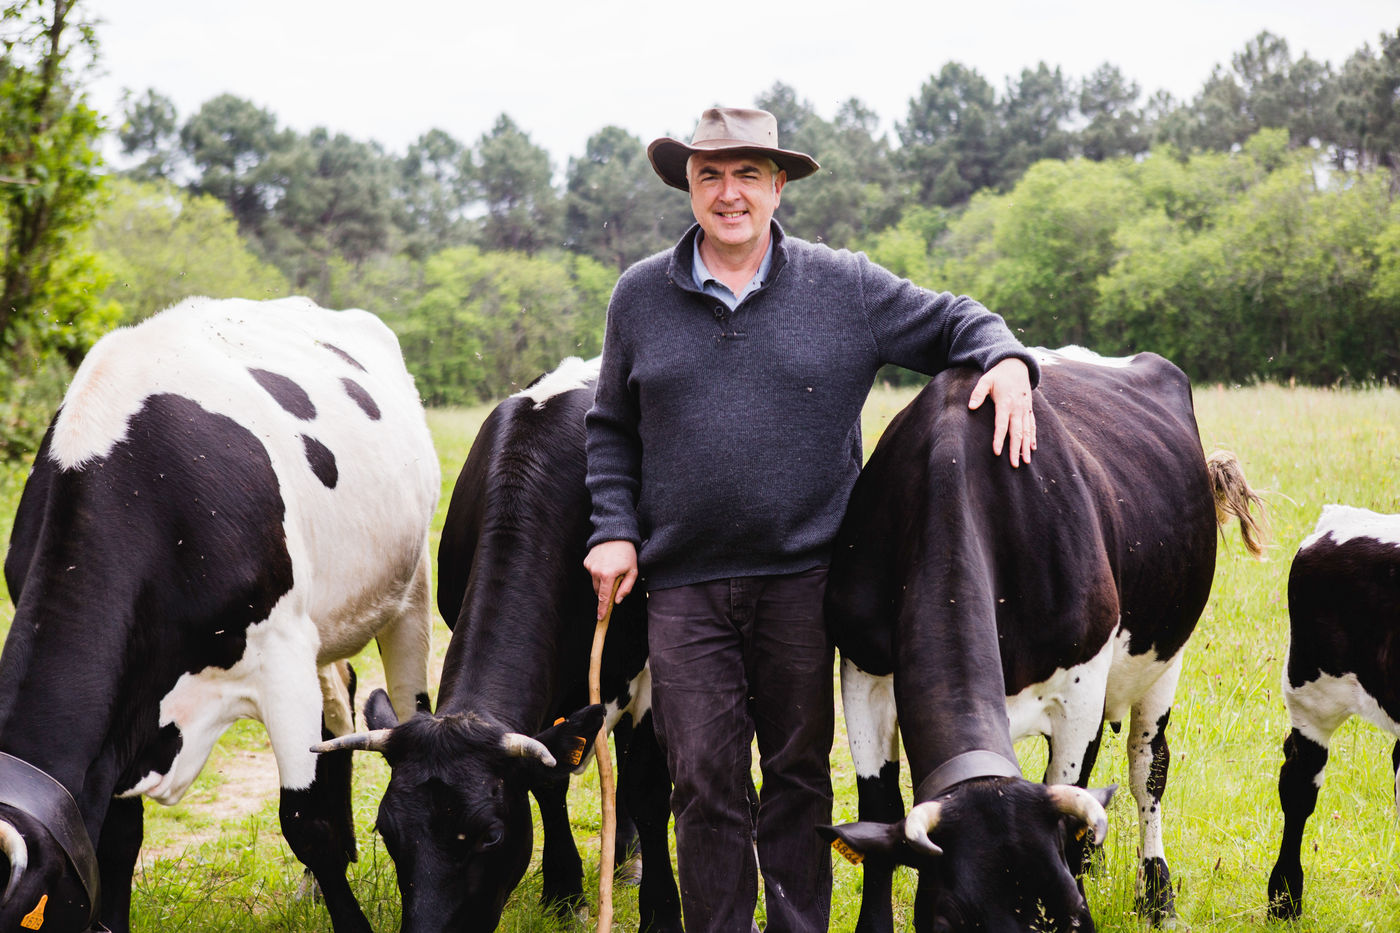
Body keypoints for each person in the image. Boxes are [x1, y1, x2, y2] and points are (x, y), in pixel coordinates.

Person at [583, 106, 1039, 933]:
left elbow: (954, 319)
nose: (729, 193)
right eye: (710, 175)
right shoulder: (640, 296)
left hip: (802, 580)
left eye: (747, 174)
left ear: (778, 185)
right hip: (682, 585)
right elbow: (611, 426)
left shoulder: (843, 287)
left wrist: (1006, 359)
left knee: (797, 774)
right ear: (688, 186)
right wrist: (612, 527)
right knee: (704, 780)